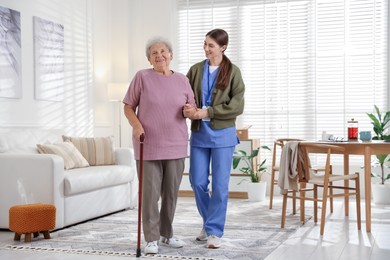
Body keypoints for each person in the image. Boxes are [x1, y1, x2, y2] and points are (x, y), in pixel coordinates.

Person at [123, 37, 195, 255]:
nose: (159, 56)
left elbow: (191, 107)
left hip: (176, 144)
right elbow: (128, 107)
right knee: (150, 195)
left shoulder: (182, 80)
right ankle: (151, 238)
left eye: (163, 51)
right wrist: (136, 125)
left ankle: (167, 234)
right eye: (154, 53)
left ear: (171, 55)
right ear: (148, 58)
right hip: (148, 144)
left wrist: (189, 110)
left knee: (171, 194)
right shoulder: (142, 77)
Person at [183, 28, 245, 249]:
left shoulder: (233, 72)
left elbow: (237, 105)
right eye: (205, 44)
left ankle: (214, 231)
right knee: (197, 182)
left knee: (219, 185)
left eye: (211, 45)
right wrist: (189, 109)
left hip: (223, 135)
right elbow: (183, 95)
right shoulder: (195, 70)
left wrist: (207, 112)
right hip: (200, 133)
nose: (206, 48)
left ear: (223, 47)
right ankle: (209, 223)